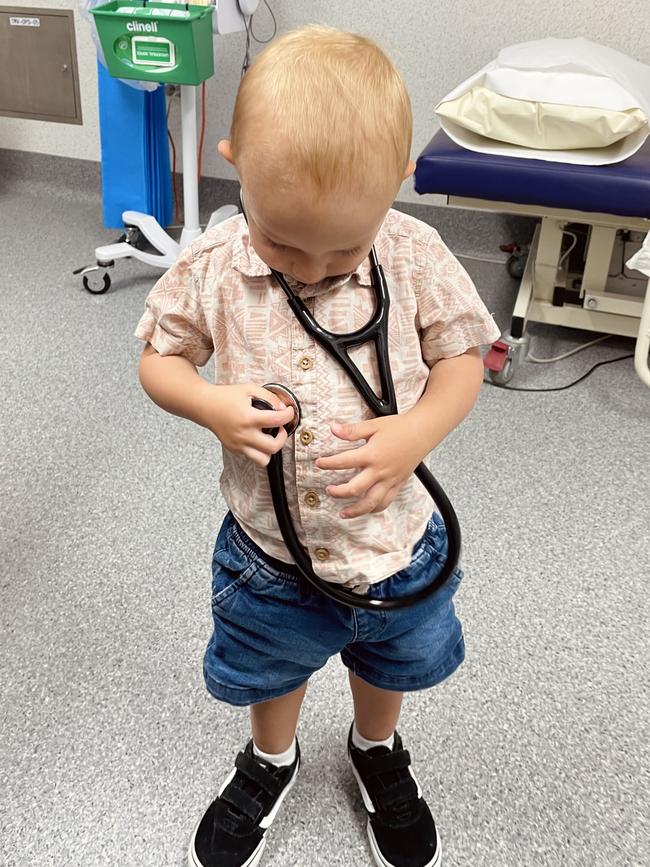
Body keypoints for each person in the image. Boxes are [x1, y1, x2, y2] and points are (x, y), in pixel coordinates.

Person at [136, 24, 500, 867]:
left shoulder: (413, 252)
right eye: (284, 242)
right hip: (269, 550)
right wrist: (207, 401)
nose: (311, 267)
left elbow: (463, 359)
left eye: (342, 246)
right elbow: (158, 358)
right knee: (270, 665)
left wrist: (415, 432)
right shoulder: (216, 262)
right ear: (236, 165)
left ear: (396, 186)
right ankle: (272, 759)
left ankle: (375, 751)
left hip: (395, 546)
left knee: (389, 663)